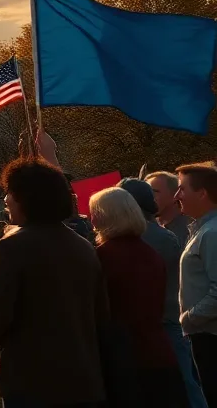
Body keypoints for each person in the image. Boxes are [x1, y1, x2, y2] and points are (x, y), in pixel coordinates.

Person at [0, 157, 108, 407]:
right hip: (80, 374)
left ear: (25, 198)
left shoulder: (12, 245)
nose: (5, 200)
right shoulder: (83, 246)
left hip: (31, 376)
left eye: (10, 192)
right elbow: (101, 314)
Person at [90, 186, 187, 406]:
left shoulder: (104, 256)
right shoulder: (149, 253)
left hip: (125, 358)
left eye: (94, 212)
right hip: (159, 352)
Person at [121, 178, 209, 408]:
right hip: (168, 322)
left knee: (186, 385)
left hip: (167, 323)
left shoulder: (151, 238)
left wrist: (189, 316)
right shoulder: (159, 234)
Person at [177, 163, 217, 405]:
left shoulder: (211, 233)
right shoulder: (204, 230)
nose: (176, 195)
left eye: (182, 189)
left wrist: (189, 317)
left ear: (202, 193)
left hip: (210, 336)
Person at [151, 171, 196, 248]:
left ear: (174, 195)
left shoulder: (190, 230)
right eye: (147, 192)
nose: (148, 197)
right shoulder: (149, 228)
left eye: (154, 192)